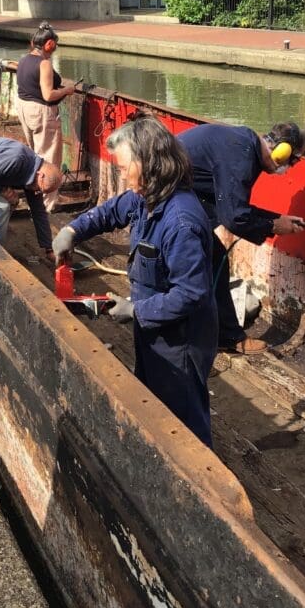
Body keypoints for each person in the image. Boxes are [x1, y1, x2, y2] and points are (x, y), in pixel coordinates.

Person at [52, 116, 217, 447]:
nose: (122, 174)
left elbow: (190, 293)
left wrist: (137, 310)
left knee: (183, 414)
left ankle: (202, 479)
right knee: (152, 399)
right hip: (154, 326)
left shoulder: (180, 222)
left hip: (180, 337)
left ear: (150, 164)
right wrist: (72, 231)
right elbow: (109, 212)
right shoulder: (145, 197)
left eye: (126, 166)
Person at [178, 121, 305, 355]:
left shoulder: (242, 144)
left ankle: (225, 336)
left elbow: (232, 206)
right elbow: (234, 218)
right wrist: (272, 225)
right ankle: (189, 348)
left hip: (176, 198)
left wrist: (276, 219)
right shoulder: (241, 155)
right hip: (165, 204)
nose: (288, 168)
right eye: (292, 160)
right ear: (282, 151)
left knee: (215, 257)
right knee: (198, 263)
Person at [15, 22, 79, 213]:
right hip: (41, 112)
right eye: (55, 44)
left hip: (24, 108)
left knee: (35, 154)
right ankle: (46, 205)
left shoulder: (24, 59)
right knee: (49, 159)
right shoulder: (44, 64)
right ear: (49, 44)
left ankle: (34, 194)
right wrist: (67, 90)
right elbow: (48, 95)